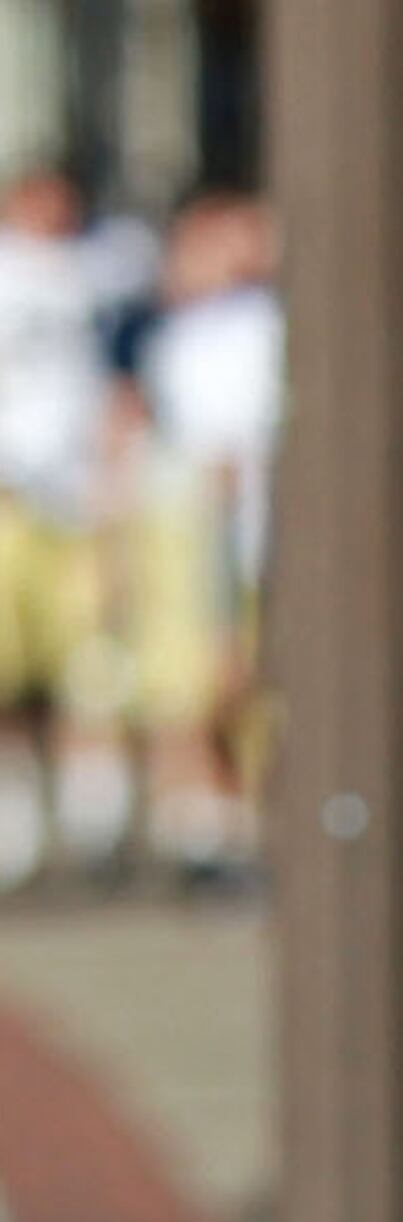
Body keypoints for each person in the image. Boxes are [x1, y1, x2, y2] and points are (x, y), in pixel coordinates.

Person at [114, 187, 281, 883]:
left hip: (257, 534)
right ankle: (201, 824)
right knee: (196, 681)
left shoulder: (263, 320)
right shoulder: (184, 334)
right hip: (200, 530)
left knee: (253, 683)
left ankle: (241, 817)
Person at [0, 166, 156, 889]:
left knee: (90, 663)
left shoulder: (106, 271)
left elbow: (131, 378)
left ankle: (95, 818)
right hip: (12, 495)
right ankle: (16, 820)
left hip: (82, 495)